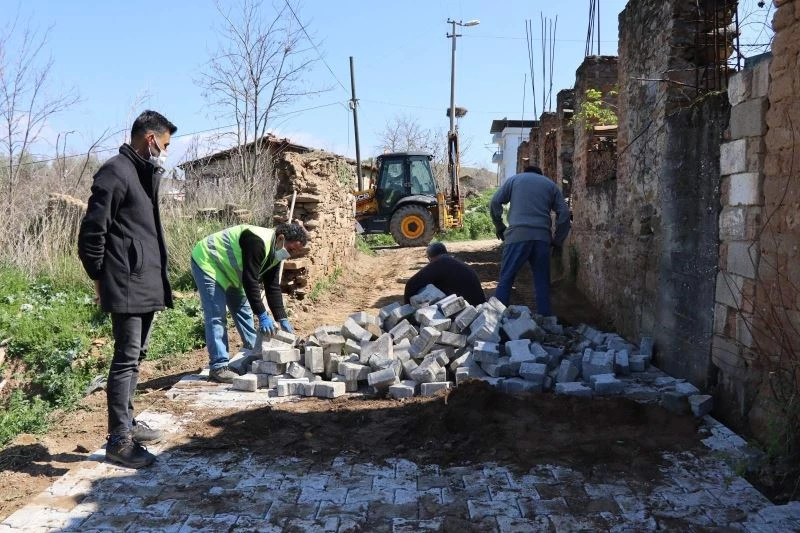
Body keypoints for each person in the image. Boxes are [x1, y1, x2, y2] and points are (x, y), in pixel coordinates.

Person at [78, 110, 177, 468]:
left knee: (136, 357)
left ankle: (127, 424)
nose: (165, 151)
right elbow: (92, 233)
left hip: (144, 280)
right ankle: (119, 440)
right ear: (150, 139)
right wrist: (100, 278)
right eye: (164, 144)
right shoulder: (115, 172)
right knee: (125, 359)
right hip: (126, 282)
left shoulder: (142, 172)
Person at [191, 222, 308, 383]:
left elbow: (272, 287)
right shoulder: (257, 242)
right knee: (216, 315)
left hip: (230, 272)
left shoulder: (275, 253)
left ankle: (254, 353)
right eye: (291, 249)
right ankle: (218, 367)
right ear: (281, 238)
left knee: (243, 310)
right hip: (208, 262)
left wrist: (282, 318)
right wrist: (262, 315)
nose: (290, 254)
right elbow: (250, 280)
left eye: (294, 252)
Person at [490, 165, 571, 317]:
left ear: (525, 172)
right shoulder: (550, 185)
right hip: (542, 238)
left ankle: (495, 319)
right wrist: (557, 240)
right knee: (542, 282)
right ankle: (546, 321)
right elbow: (564, 214)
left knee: (506, 278)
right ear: (540, 174)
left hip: (517, 236)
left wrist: (499, 225)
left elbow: (495, 202)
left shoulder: (514, 180)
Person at [403, 242, 486, 306]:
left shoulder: (440, 263)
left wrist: (407, 309)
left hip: (467, 310)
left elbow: (410, 285)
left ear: (430, 258)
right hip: (480, 307)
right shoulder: (455, 262)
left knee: (424, 288)